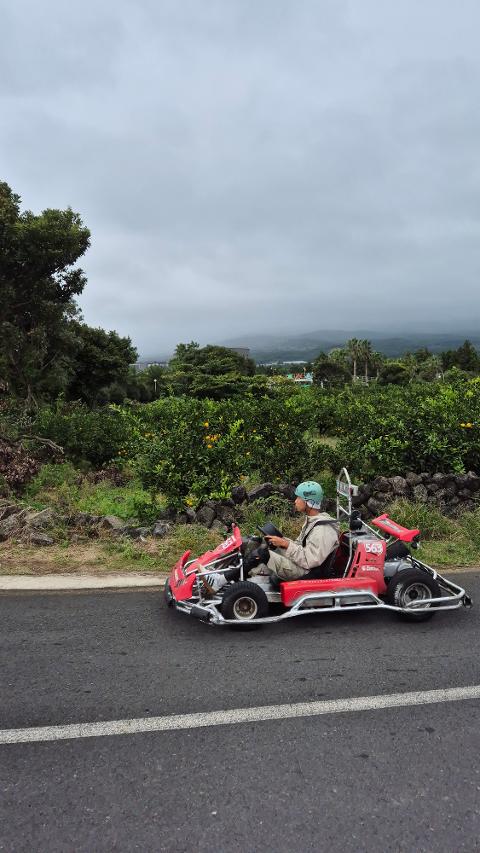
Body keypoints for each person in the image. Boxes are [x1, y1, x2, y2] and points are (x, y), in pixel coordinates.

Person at [255, 480, 339, 581]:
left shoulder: (323, 530)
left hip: (306, 572)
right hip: (301, 564)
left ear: (308, 502)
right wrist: (281, 541)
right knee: (257, 543)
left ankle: (240, 589)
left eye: (299, 498)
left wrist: (286, 544)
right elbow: (300, 545)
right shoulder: (313, 520)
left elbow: (309, 560)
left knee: (261, 554)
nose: (295, 501)